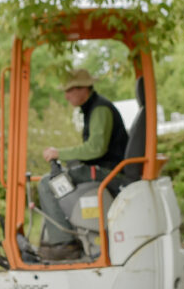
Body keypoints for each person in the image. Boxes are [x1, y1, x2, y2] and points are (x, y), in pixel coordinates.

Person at [37, 68, 128, 260]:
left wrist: (59, 153)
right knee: (58, 179)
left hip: (109, 173)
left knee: (47, 184)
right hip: (106, 169)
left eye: (69, 91)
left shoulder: (100, 109)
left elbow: (95, 149)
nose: (66, 96)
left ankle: (64, 244)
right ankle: (74, 233)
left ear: (83, 89)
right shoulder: (92, 108)